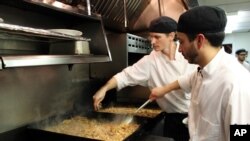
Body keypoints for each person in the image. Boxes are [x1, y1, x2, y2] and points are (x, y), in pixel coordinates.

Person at [149, 6, 250, 141]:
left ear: (200, 40)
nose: (179, 50)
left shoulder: (235, 84)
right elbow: (184, 80)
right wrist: (162, 90)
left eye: (182, 41)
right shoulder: (201, 71)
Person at [93, 16, 196, 141]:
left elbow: (193, 80)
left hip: (196, 116)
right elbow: (125, 76)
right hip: (172, 119)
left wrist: (164, 90)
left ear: (171, 36)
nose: (152, 41)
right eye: (151, 36)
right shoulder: (150, 61)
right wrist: (104, 88)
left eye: (157, 37)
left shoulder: (188, 53)